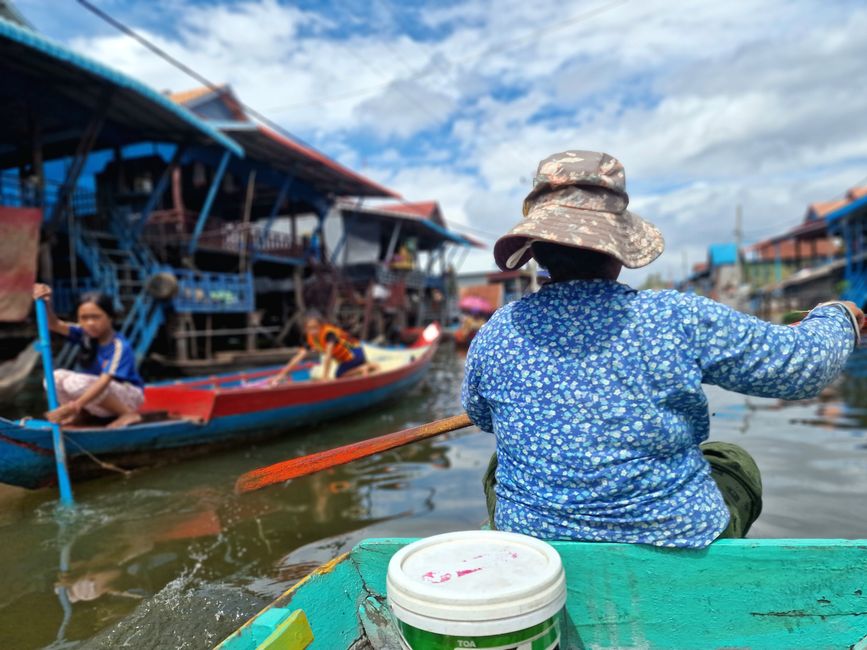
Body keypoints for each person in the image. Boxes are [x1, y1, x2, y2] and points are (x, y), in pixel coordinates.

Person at [462, 150, 863, 549]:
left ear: (536, 250)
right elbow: (805, 366)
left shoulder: (498, 329)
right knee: (731, 459)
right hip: (673, 533)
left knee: (500, 463)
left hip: (534, 540)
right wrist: (838, 316)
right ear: (618, 250)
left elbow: (482, 416)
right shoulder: (675, 317)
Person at [32, 284, 145, 428]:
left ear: (110, 317)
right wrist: (46, 302)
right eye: (84, 318)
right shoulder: (83, 333)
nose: (90, 323)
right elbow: (54, 324)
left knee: (76, 383)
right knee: (54, 378)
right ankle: (82, 414)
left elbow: (104, 381)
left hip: (128, 397)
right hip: (98, 397)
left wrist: (75, 406)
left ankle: (128, 414)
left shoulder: (119, 346)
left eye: (96, 317)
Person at [270, 314, 376, 385]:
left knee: (339, 376)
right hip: (345, 359)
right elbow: (298, 358)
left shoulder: (328, 334)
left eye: (315, 327)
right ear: (305, 329)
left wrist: (325, 377)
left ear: (321, 326)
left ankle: (365, 367)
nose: (313, 331)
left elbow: (328, 355)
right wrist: (281, 375)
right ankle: (363, 367)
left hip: (355, 353)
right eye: (310, 328)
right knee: (340, 373)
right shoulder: (310, 338)